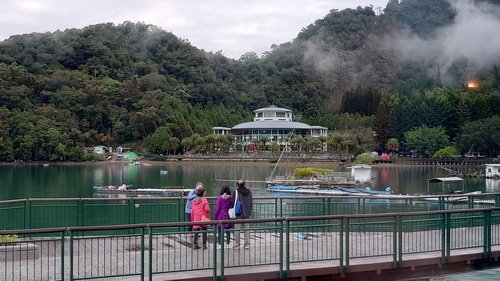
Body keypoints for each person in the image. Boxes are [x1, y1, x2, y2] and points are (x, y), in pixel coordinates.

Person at [233, 179, 252, 249]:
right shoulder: (249, 192)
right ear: (244, 184)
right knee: (247, 230)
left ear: (237, 185)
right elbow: (251, 202)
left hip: (238, 214)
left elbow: (233, 202)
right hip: (247, 213)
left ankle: (237, 245)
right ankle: (247, 244)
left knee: (237, 230)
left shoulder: (236, 192)